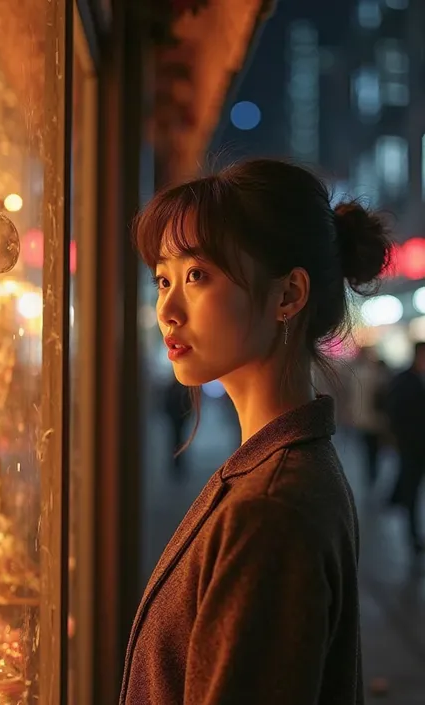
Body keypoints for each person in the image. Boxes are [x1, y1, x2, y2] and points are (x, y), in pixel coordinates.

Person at [120, 158, 392, 705]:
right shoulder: (287, 467)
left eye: (198, 275)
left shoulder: (269, 507)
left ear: (289, 295)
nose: (167, 309)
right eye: (162, 279)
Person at [387, 341, 425, 556]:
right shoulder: (404, 381)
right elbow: (395, 413)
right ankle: (412, 536)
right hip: (411, 446)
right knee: (411, 489)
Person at [349, 347, 391, 488]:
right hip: (374, 421)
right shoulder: (376, 375)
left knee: (367, 453)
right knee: (373, 453)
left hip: (361, 420)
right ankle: (372, 478)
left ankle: (369, 479)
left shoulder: (357, 374)